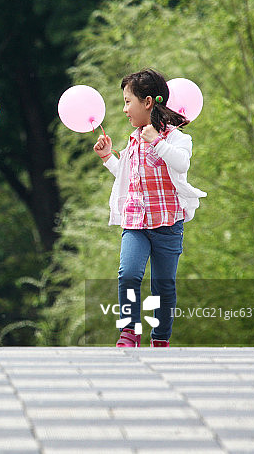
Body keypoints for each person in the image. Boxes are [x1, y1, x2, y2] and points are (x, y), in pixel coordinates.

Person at [93, 69, 206, 348]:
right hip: (136, 223)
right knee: (128, 274)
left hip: (168, 224)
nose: (124, 109)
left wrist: (157, 141)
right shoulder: (133, 139)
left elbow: (182, 164)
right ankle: (129, 332)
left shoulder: (176, 139)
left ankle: (160, 338)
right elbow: (126, 174)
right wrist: (108, 157)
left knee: (163, 286)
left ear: (147, 103)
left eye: (128, 101)